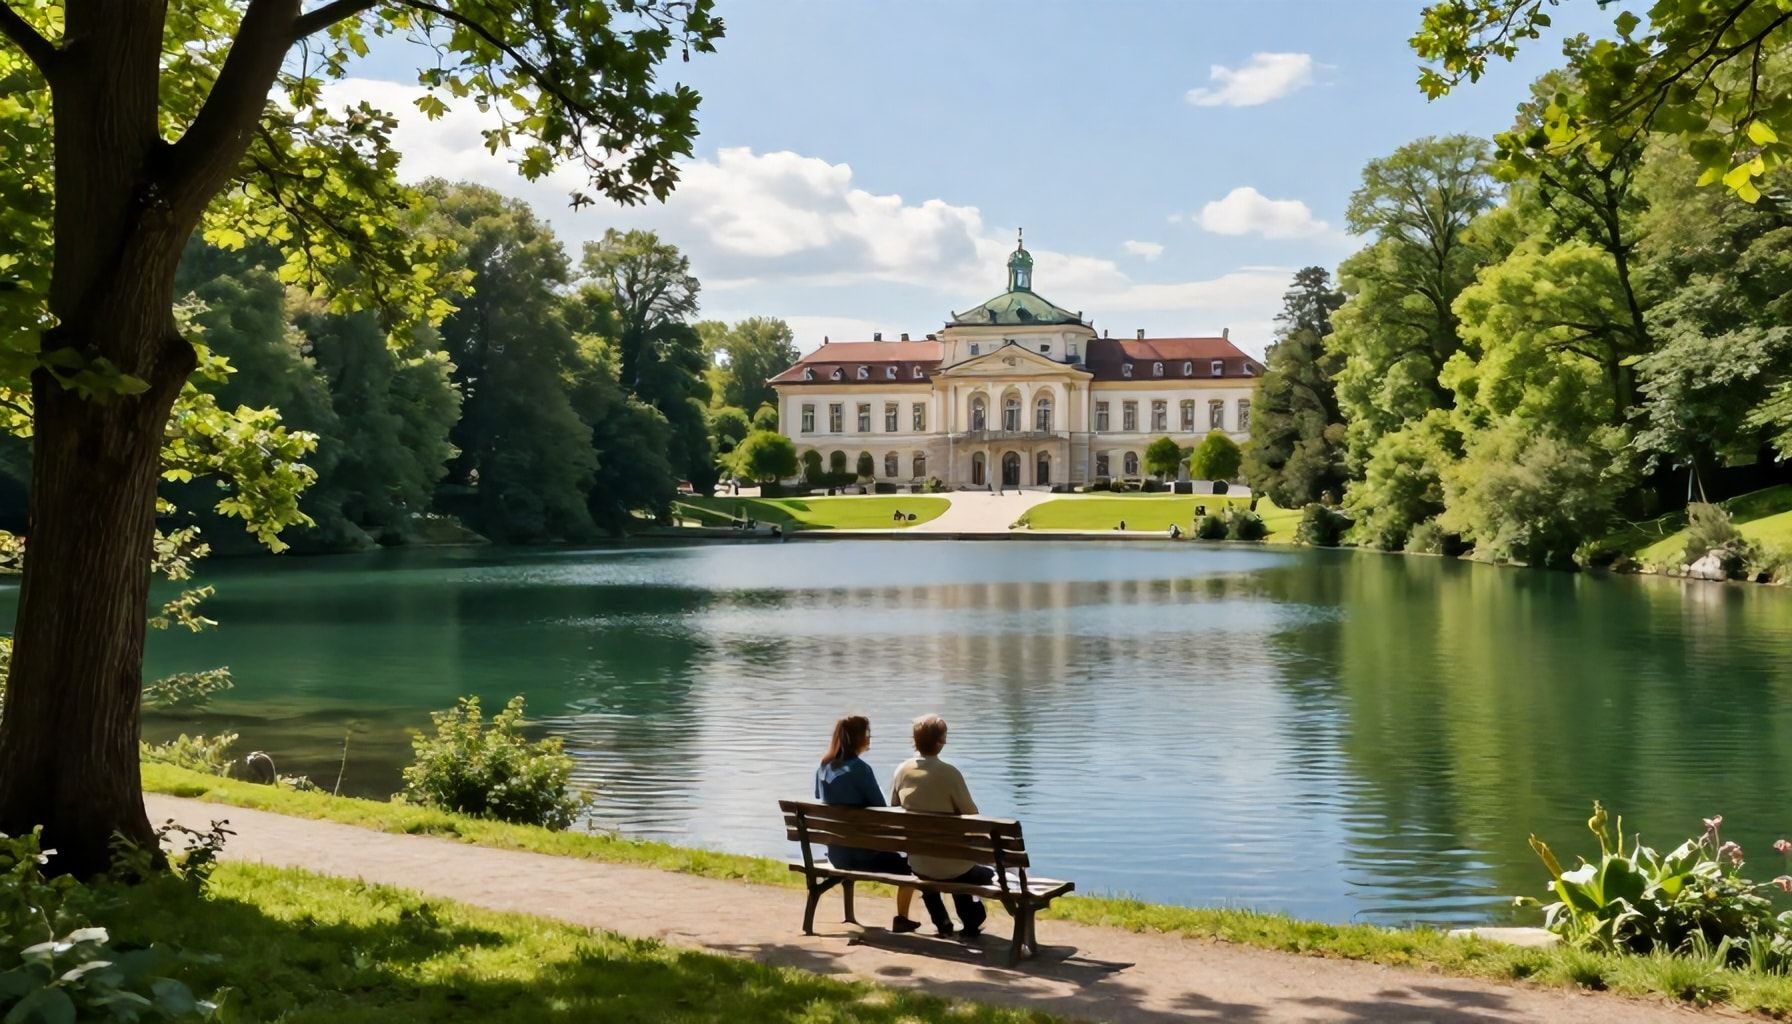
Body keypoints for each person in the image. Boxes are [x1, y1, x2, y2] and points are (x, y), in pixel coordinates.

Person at [814, 715, 946, 935]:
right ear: (858, 738)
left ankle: (920, 920)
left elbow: (820, 797)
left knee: (911, 861)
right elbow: (882, 811)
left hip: (837, 854)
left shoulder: (824, 767)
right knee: (916, 864)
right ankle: (940, 923)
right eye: (868, 733)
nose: (870, 738)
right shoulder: (860, 769)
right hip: (864, 856)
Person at [890, 714, 992, 940]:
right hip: (955, 866)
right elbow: (972, 815)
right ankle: (971, 920)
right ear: (940, 742)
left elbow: (894, 808)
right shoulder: (949, 773)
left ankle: (941, 921)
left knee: (930, 861)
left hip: (919, 862)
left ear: (914, 741)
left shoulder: (901, 771)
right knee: (966, 868)